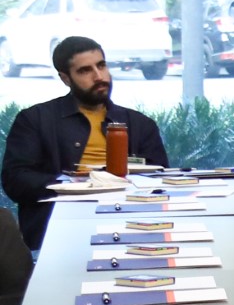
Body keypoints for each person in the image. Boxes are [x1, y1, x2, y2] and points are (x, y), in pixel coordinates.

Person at [1, 35, 168, 245]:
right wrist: (71, 184)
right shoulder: (35, 120)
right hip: (59, 226)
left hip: (127, 220)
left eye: (101, 66)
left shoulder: (139, 124)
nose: (99, 76)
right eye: (85, 71)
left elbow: (159, 180)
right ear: (65, 78)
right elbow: (15, 180)